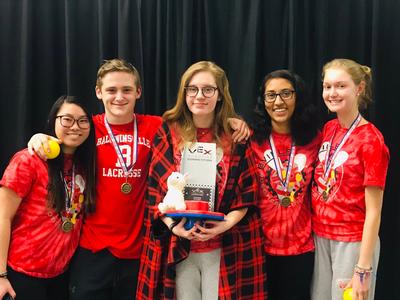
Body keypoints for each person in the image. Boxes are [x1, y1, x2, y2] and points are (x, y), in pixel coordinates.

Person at [27, 59, 249, 300]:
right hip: (92, 249)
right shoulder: (87, 128)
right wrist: (40, 137)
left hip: (138, 249)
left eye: (127, 90)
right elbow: (62, 140)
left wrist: (233, 122)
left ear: (138, 92)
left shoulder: (159, 127)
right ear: (99, 92)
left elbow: (197, 121)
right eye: (111, 90)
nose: (119, 97)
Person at [137, 61, 267, 299]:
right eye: (192, 89)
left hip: (224, 246)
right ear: (184, 93)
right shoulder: (167, 133)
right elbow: (156, 192)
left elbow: (248, 193)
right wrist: (174, 227)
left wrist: (225, 224)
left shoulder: (235, 137)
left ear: (219, 95)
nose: (200, 96)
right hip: (180, 244)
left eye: (208, 89)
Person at [0, 95, 96, 300]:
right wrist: (0, 275)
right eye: (67, 119)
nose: (75, 126)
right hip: (22, 273)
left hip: (61, 275)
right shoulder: (29, 160)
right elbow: (2, 217)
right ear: (54, 121)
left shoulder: (85, 165)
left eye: (83, 120)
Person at [311, 58, 389, 300]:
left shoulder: (371, 140)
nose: (332, 93)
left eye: (341, 86)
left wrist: (363, 269)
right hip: (321, 237)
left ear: (359, 88)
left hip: (352, 243)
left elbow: (374, 211)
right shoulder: (328, 129)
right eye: (327, 86)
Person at [249, 70, 321, 300]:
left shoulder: (315, 139)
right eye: (271, 95)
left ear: (297, 97)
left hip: (301, 248)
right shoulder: (251, 140)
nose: (278, 101)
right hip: (259, 247)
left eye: (286, 94)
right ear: (263, 101)